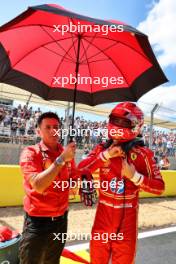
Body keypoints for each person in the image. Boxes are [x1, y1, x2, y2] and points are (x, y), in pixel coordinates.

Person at [78, 102, 165, 264]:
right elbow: (80, 170)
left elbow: (160, 187)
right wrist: (105, 156)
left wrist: (134, 176)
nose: (118, 125)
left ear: (136, 126)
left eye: (123, 122)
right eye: (115, 120)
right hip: (102, 218)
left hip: (127, 221)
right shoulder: (101, 149)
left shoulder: (143, 154)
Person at [19, 112, 78, 264]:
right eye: (48, 127)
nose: (53, 130)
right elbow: (38, 185)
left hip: (61, 220)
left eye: (57, 127)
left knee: (53, 261)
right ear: (39, 131)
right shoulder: (30, 152)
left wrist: (78, 181)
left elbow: (72, 185)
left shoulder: (67, 154)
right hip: (37, 222)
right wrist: (62, 160)